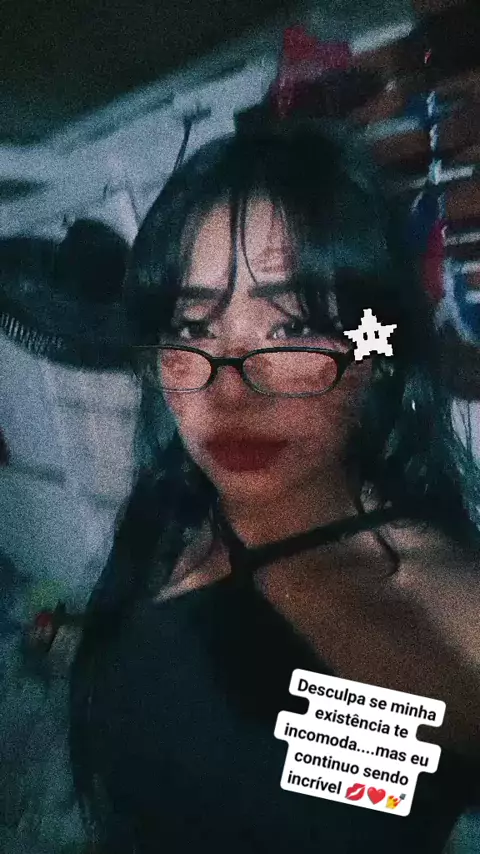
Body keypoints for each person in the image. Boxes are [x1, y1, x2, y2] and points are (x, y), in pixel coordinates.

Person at [69, 118, 480, 854]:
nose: (229, 392)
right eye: (193, 327)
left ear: (375, 356)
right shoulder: (173, 508)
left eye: (290, 328)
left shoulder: (446, 620)